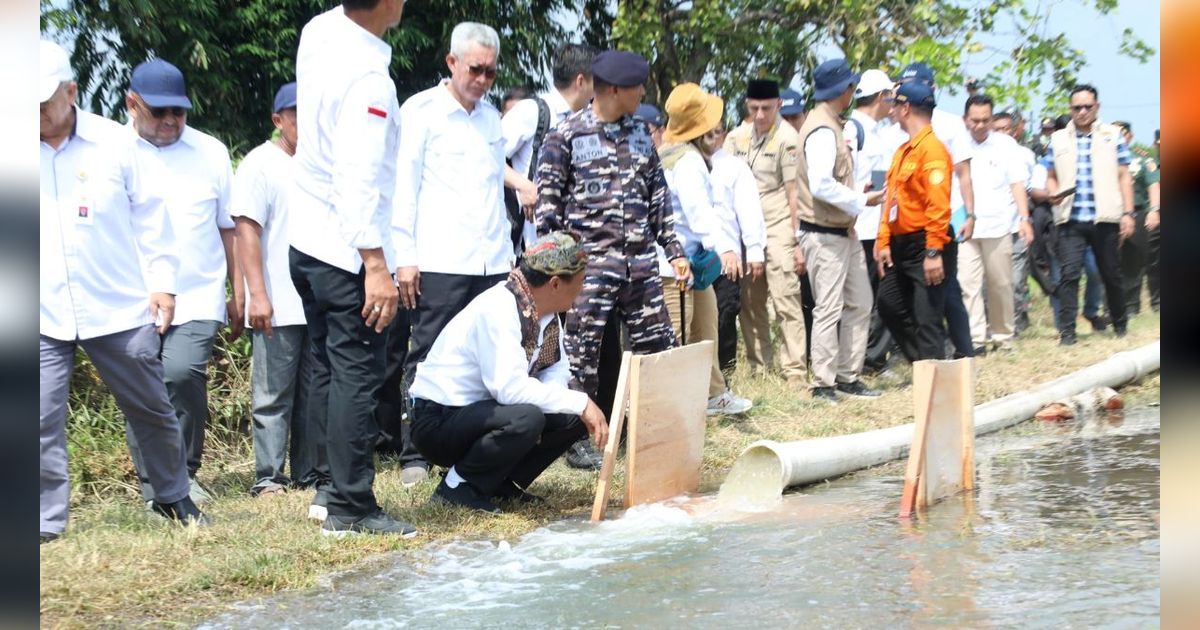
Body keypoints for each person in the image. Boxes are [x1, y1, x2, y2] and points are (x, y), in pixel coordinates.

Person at [39, 40, 206, 541]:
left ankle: (174, 497)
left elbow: (154, 220)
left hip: (116, 305)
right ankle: (46, 521)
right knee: (37, 418)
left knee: (152, 407)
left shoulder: (116, 145)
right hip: (41, 308)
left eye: (42, 104)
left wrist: (163, 285)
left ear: (71, 93)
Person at [289, 0, 415, 536]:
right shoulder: (369, 80)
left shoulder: (319, 31)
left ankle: (326, 487)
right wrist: (376, 265)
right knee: (357, 374)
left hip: (307, 237)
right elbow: (359, 173)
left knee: (326, 368)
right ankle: (350, 504)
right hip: (346, 249)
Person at [536, 49, 692, 466]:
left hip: (640, 267)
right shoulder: (565, 135)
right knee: (581, 355)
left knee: (659, 351)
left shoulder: (642, 133)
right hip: (589, 270)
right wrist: (561, 270)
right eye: (638, 86)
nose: (643, 92)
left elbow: (658, 196)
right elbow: (547, 209)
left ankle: (659, 433)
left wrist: (673, 250)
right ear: (615, 90)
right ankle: (576, 440)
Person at [409, 232, 608, 513]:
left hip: (481, 413)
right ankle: (457, 487)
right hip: (438, 419)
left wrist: (576, 404)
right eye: (579, 280)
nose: (582, 287)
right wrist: (582, 403)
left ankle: (500, 482)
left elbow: (557, 368)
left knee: (569, 414)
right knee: (528, 417)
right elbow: (508, 389)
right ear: (554, 283)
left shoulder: (546, 312)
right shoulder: (499, 309)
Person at [394, 22, 513, 487]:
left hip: (490, 259)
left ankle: (466, 448)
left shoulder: (491, 119)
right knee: (426, 353)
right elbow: (402, 190)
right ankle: (413, 451)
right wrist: (405, 255)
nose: (483, 80)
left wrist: (507, 258)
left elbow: (492, 192)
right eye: (475, 69)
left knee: (485, 355)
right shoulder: (420, 112)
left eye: (490, 72)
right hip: (440, 256)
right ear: (451, 63)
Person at [122, 57, 238, 505]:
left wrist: (240, 291)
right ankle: (155, 485)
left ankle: (185, 470)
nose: (171, 121)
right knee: (142, 383)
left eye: (180, 112)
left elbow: (229, 226)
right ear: (133, 104)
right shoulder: (113, 152)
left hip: (198, 291)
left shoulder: (210, 152)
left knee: (181, 371)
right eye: (159, 112)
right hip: (132, 295)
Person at [231, 82, 316, 497]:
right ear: (277, 120)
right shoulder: (259, 164)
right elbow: (246, 230)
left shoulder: (322, 162)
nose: (303, 121)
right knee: (272, 393)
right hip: (278, 299)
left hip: (317, 299)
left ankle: (307, 471)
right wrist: (256, 294)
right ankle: (268, 475)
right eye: (295, 114)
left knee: (312, 394)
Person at [655, 83, 750, 415]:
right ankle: (670, 412)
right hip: (674, 267)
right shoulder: (688, 163)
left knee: (705, 328)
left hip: (691, 264)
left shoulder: (674, 154)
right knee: (676, 341)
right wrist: (724, 248)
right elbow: (700, 216)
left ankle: (712, 395)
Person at [795, 59, 884, 403]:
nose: (853, 92)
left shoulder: (832, 124)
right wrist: (860, 199)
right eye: (851, 87)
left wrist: (855, 196)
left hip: (841, 231)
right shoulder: (821, 129)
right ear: (843, 91)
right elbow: (820, 185)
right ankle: (823, 383)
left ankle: (848, 376)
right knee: (829, 308)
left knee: (860, 302)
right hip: (823, 232)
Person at [722, 79, 809, 387]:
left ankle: (795, 371)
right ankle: (761, 367)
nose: (760, 115)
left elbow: (793, 192)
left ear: (778, 106)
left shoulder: (787, 139)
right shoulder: (735, 138)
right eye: (754, 108)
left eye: (767, 108)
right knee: (750, 301)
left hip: (778, 225)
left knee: (786, 299)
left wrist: (798, 241)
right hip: (745, 230)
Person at [1045, 84, 1135, 346]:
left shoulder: (1112, 135)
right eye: (1077, 107)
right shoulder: (1058, 139)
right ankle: (1067, 333)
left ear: (1097, 107)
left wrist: (1128, 213)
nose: (1082, 112)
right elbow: (1050, 176)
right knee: (1069, 275)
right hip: (1071, 218)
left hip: (1104, 217)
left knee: (1110, 273)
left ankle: (1120, 324)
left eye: (1087, 106)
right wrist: (1054, 193)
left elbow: (1124, 176)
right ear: (1070, 109)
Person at [875, 81, 958, 360]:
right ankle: (926, 363)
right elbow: (892, 200)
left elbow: (938, 204)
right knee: (889, 304)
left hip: (926, 243)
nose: (891, 111)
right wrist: (883, 239)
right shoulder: (903, 151)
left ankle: (934, 376)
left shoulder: (932, 150)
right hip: (901, 244)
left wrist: (934, 250)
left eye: (895, 105)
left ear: (906, 107)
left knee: (927, 317)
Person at [896, 63, 974, 358]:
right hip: (909, 223)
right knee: (917, 300)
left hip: (945, 214)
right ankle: (928, 357)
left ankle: (963, 353)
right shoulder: (899, 124)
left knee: (947, 291)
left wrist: (970, 214)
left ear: (931, 87)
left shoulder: (950, 124)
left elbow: (964, 172)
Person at [503, 43, 598, 251]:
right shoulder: (533, 111)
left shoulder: (591, 119)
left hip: (577, 241)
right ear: (581, 81)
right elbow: (488, 160)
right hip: (536, 243)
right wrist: (525, 186)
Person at [958, 95, 1033, 353]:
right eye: (974, 120)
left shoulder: (1005, 144)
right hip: (964, 227)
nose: (979, 126)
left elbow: (1017, 183)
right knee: (968, 284)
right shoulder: (955, 143)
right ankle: (975, 340)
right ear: (965, 119)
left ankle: (1003, 337)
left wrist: (1024, 219)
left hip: (998, 225)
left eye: (985, 120)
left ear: (992, 119)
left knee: (1001, 284)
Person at [846, 70, 908, 371]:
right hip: (863, 226)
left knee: (877, 297)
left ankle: (871, 356)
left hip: (879, 225)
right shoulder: (853, 131)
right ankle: (865, 359)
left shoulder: (876, 131)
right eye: (890, 97)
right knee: (866, 298)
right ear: (881, 97)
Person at [705, 119, 767, 376]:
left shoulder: (733, 167)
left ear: (723, 134)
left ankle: (724, 378)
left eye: (715, 132)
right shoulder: (683, 162)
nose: (710, 138)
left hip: (726, 259)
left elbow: (749, 209)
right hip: (691, 258)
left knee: (725, 318)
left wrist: (754, 250)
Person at [991, 110, 1039, 335]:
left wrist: (1024, 218)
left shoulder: (1025, 155)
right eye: (997, 129)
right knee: (994, 281)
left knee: (1017, 279)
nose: (1002, 133)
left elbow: (1027, 188)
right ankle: (996, 324)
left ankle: (1016, 323)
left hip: (1016, 225)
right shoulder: (982, 152)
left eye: (1005, 129)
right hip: (992, 227)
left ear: (1014, 130)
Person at [1113, 121, 1160, 315]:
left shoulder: (1140, 161)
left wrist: (1154, 209)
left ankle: (1134, 306)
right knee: (1111, 262)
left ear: (1129, 136)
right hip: (1108, 214)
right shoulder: (1101, 159)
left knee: (1134, 260)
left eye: (1122, 134)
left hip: (1137, 212)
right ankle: (1113, 306)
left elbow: (1153, 185)